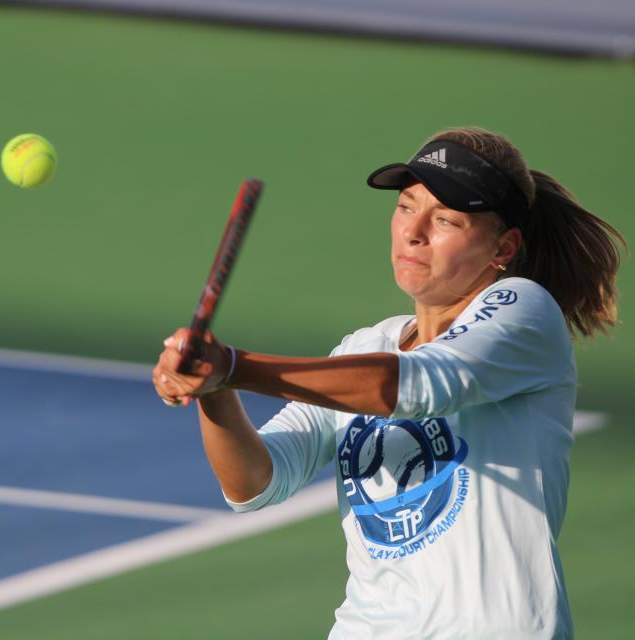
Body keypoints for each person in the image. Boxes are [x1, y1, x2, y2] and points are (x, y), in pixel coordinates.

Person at [152, 127, 626, 639]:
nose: (413, 231)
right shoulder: (365, 346)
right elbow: (254, 483)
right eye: (406, 207)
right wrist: (214, 391)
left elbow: (416, 387)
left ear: (503, 247)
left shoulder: (523, 311)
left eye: (445, 219)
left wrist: (235, 366)